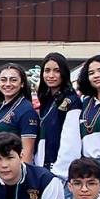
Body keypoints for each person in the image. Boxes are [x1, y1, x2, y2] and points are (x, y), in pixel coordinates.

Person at [35, 53, 82, 183]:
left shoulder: (72, 101)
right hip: (43, 167)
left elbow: (71, 142)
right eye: (47, 70)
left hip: (60, 172)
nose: (51, 75)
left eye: (56, 71)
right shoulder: (47, 99)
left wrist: (60, 172)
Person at [0, 63, 39, 163]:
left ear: (22, 83)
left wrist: (23, 176)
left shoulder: (27, 110)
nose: (7, 84)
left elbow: (27, 152)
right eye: (3, 80)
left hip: (14, 170)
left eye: (13, 80)